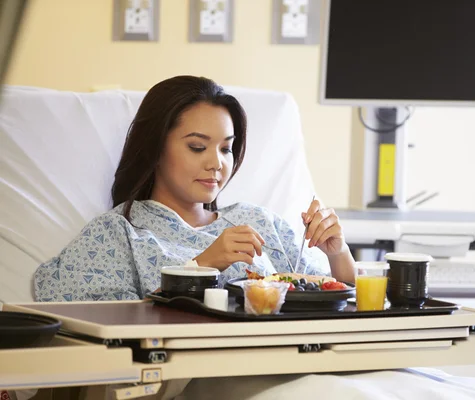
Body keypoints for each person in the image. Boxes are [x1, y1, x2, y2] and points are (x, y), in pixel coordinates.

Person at [33, 75, 356, 302]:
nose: (217, 164)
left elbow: (339, 299)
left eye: (226, 149)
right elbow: (99, 328)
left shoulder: (258, 222)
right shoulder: (119, 233)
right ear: (155, 148)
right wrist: (198, 269)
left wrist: (337, 252)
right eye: (198, 147)